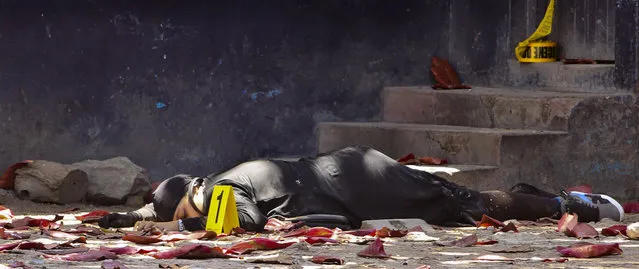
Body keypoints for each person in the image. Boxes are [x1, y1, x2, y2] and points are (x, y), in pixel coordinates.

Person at [98, 146, 624, 232]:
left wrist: (175, 232)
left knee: (463, 204)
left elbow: (243, 222)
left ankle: (572, 205)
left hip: (364, 184)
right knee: (460, 200)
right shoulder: (231, 175)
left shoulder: (221, 193)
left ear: (191, 198)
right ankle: (561, 200)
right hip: (355, 172)